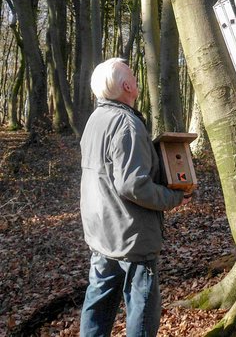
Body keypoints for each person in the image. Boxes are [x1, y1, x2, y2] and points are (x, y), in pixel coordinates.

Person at [79, 58, 188, 337]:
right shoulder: (126, 124)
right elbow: (133, 185)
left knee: (99, 300)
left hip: (101, 230)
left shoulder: (96, 119)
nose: (137, 80)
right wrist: (172, 197)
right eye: (133, 76)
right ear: (127, 85)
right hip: (130, 234)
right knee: (141, 306)